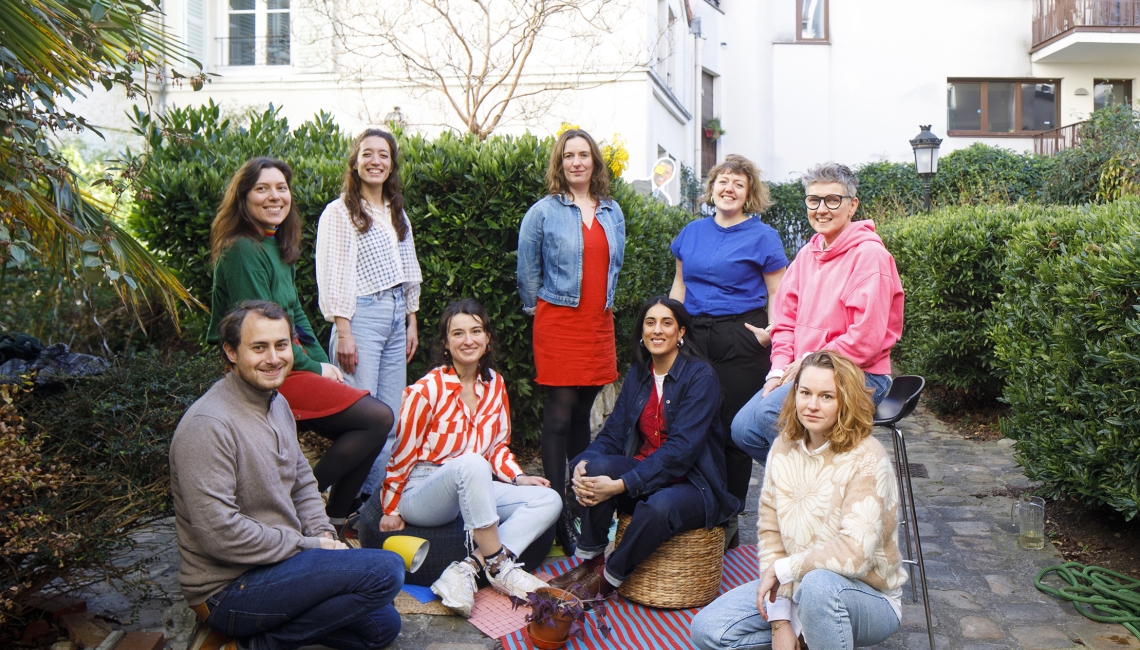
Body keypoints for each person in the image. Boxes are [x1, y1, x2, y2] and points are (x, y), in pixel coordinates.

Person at [174, 301, 403, 650]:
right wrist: (310, 547)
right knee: (386, 571)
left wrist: (325, 536)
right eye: (258, 347)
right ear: (231, 352)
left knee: (382, 626)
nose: (273, 358)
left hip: (280, 567)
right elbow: (219, 535)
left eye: (281, 345)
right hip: (227, 590)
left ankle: (259, 634)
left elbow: (302, 484)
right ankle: (247, 645)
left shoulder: (277, 402)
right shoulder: (208, 425)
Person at [208, 157, 393, 535]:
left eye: (281, 188)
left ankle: (334, 520)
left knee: (371, 422)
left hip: (289, 362)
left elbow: (296, 316)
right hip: (266, 369)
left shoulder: (276, 245)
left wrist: (326, 365)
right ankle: (298, 500)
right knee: (377, 418)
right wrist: (310, 367)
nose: (275, 196)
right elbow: (262, 335)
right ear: (243, 198)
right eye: (262, 189)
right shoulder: (242, 250)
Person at [690, 351, 907, 650]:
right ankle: (806, 638)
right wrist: (780, 621)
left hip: (866, 594)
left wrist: (782, 572)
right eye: (805, 393)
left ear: (845, 400)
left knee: (818, 590)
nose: (812, 405)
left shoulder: (868, 458)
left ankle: (816, 632)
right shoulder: (783, 447)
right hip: (796, 586)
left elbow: (855, 554)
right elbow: (770, 532)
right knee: (708, 629)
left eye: (827, 396)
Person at [360, 298, 561, 617]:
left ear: (487, 339)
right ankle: (500, 567)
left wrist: (519, 478)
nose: (468, 340)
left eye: (476, 331)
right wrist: (391, 506)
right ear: (445, 343)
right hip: (424, 492)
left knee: (549, 500)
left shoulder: (496, 385)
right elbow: (402, 452)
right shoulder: (425, 390)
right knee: (473, 463)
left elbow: (496, 447)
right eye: (458, 333)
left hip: (472, 482)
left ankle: (466, 569)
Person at [547, 296, 739, 599]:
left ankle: (607, 578)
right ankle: (590, 561)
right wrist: (581, 466)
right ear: (642, 331)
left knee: (659, 507)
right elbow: (611, 435)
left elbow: (681, 451)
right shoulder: (639, 374)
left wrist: (622, 484)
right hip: (646, 473)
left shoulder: (701, 377)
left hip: (695, 485)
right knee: (594, 469)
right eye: (650, 323)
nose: (657, 330)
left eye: (667, 323)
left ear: (681, 333)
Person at [731, 161, 904, 465]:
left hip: (860, 372)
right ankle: (817, 488)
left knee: (773, 413)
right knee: (743, 429)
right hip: (808, 371)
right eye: (814, 200)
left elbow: (866, 339)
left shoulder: (870, 256)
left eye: (832, 200)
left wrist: (805, 365)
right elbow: (784, 324)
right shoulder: (805, 256)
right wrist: (777, 371)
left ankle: (821, 496)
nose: (821, 209)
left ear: (852, 206)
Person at [517, 128, 626, 554]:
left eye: (584, 155)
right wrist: (542, 312)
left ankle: (583, 502)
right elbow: (528, 274)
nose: (577, 162)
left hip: (598, 323)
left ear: (595, 162)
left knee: (584, 415)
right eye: (568, 156)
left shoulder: (612, 211)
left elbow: (611, 266)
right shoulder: (542, 212)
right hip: (558, 321)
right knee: (559, 416)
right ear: (559, 164)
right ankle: (557, 510)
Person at [669, 154, 788, 547]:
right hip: (695, 337)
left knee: (734, 431)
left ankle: (731, 515)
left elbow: (778, 292)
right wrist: (672, 328)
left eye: (739, 182)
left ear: (749, 192)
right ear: (712, 187)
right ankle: (698, 507)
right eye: (723, 180)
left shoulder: (763, 237)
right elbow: (680, 286)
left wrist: (772, 332)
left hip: (742, 336)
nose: (729, 188)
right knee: (694, 425)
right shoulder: (691, 233)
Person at [317, 128, 423, 499]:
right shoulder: (340, 211)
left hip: (395, 314)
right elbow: (333, 273)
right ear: (356, 161)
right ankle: (340, 501)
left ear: (391, 164)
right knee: (363, 418)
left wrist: (411, 318)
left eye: (383, 154)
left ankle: (375, 503)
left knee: (390, 419)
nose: (375, 160)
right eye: (367, 154)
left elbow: (408, 267)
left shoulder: (395, 210)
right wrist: (343, 329)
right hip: (361, 315)